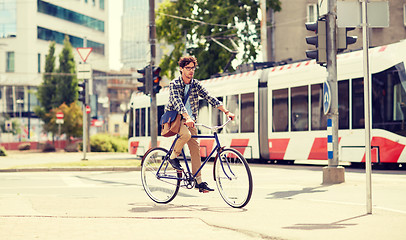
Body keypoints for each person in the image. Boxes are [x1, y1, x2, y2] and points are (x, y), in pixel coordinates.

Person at [164, 56, 235, 193]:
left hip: (190, 121)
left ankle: (198, 181)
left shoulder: (196, 84)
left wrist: (226, 111)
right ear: (181, 69)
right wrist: (186, 116)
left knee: (195, 150)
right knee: (185, 135)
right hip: (176, 118)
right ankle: (172, 157)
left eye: (193, 68)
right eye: (188, 68)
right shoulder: (174, 84)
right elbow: (178, 102)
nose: (191, 71)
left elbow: (209, 97)